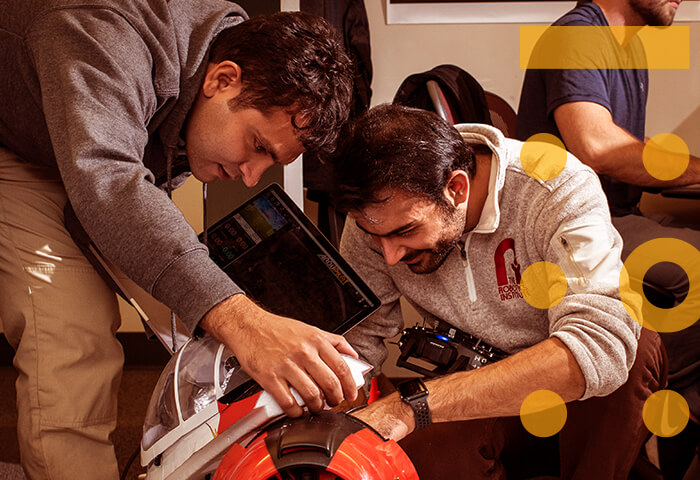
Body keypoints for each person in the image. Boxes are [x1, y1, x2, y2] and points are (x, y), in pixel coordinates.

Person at [0, 2, 357, 478]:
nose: (251, 177)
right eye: (257, 147)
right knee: (73, 333)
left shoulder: (214, 56)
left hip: (87, 151)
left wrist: (242, 322)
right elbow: (108, 181)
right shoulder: (99, 32)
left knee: (206, 319)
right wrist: (244, 323)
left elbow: (127, 202)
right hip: (18, 147)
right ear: (221, 79)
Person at [330, 104, 666, 479]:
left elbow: (600, 346)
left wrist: (413, 405)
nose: (389, 257)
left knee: (635, 348)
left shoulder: (556, 185)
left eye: (405, 232)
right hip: (474, 384)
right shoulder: (376, 218)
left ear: (456, 188)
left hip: (576, 398)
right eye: (376, 237)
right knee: (427, 451)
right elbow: (358, 342)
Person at [516, 0, 699, 475]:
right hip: (570, 228)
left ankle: (671, 420)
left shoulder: (628, 48)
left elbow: (626, 156)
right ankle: (663, 420)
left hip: (616, 214)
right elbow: (596, 146)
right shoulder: (577, 37)